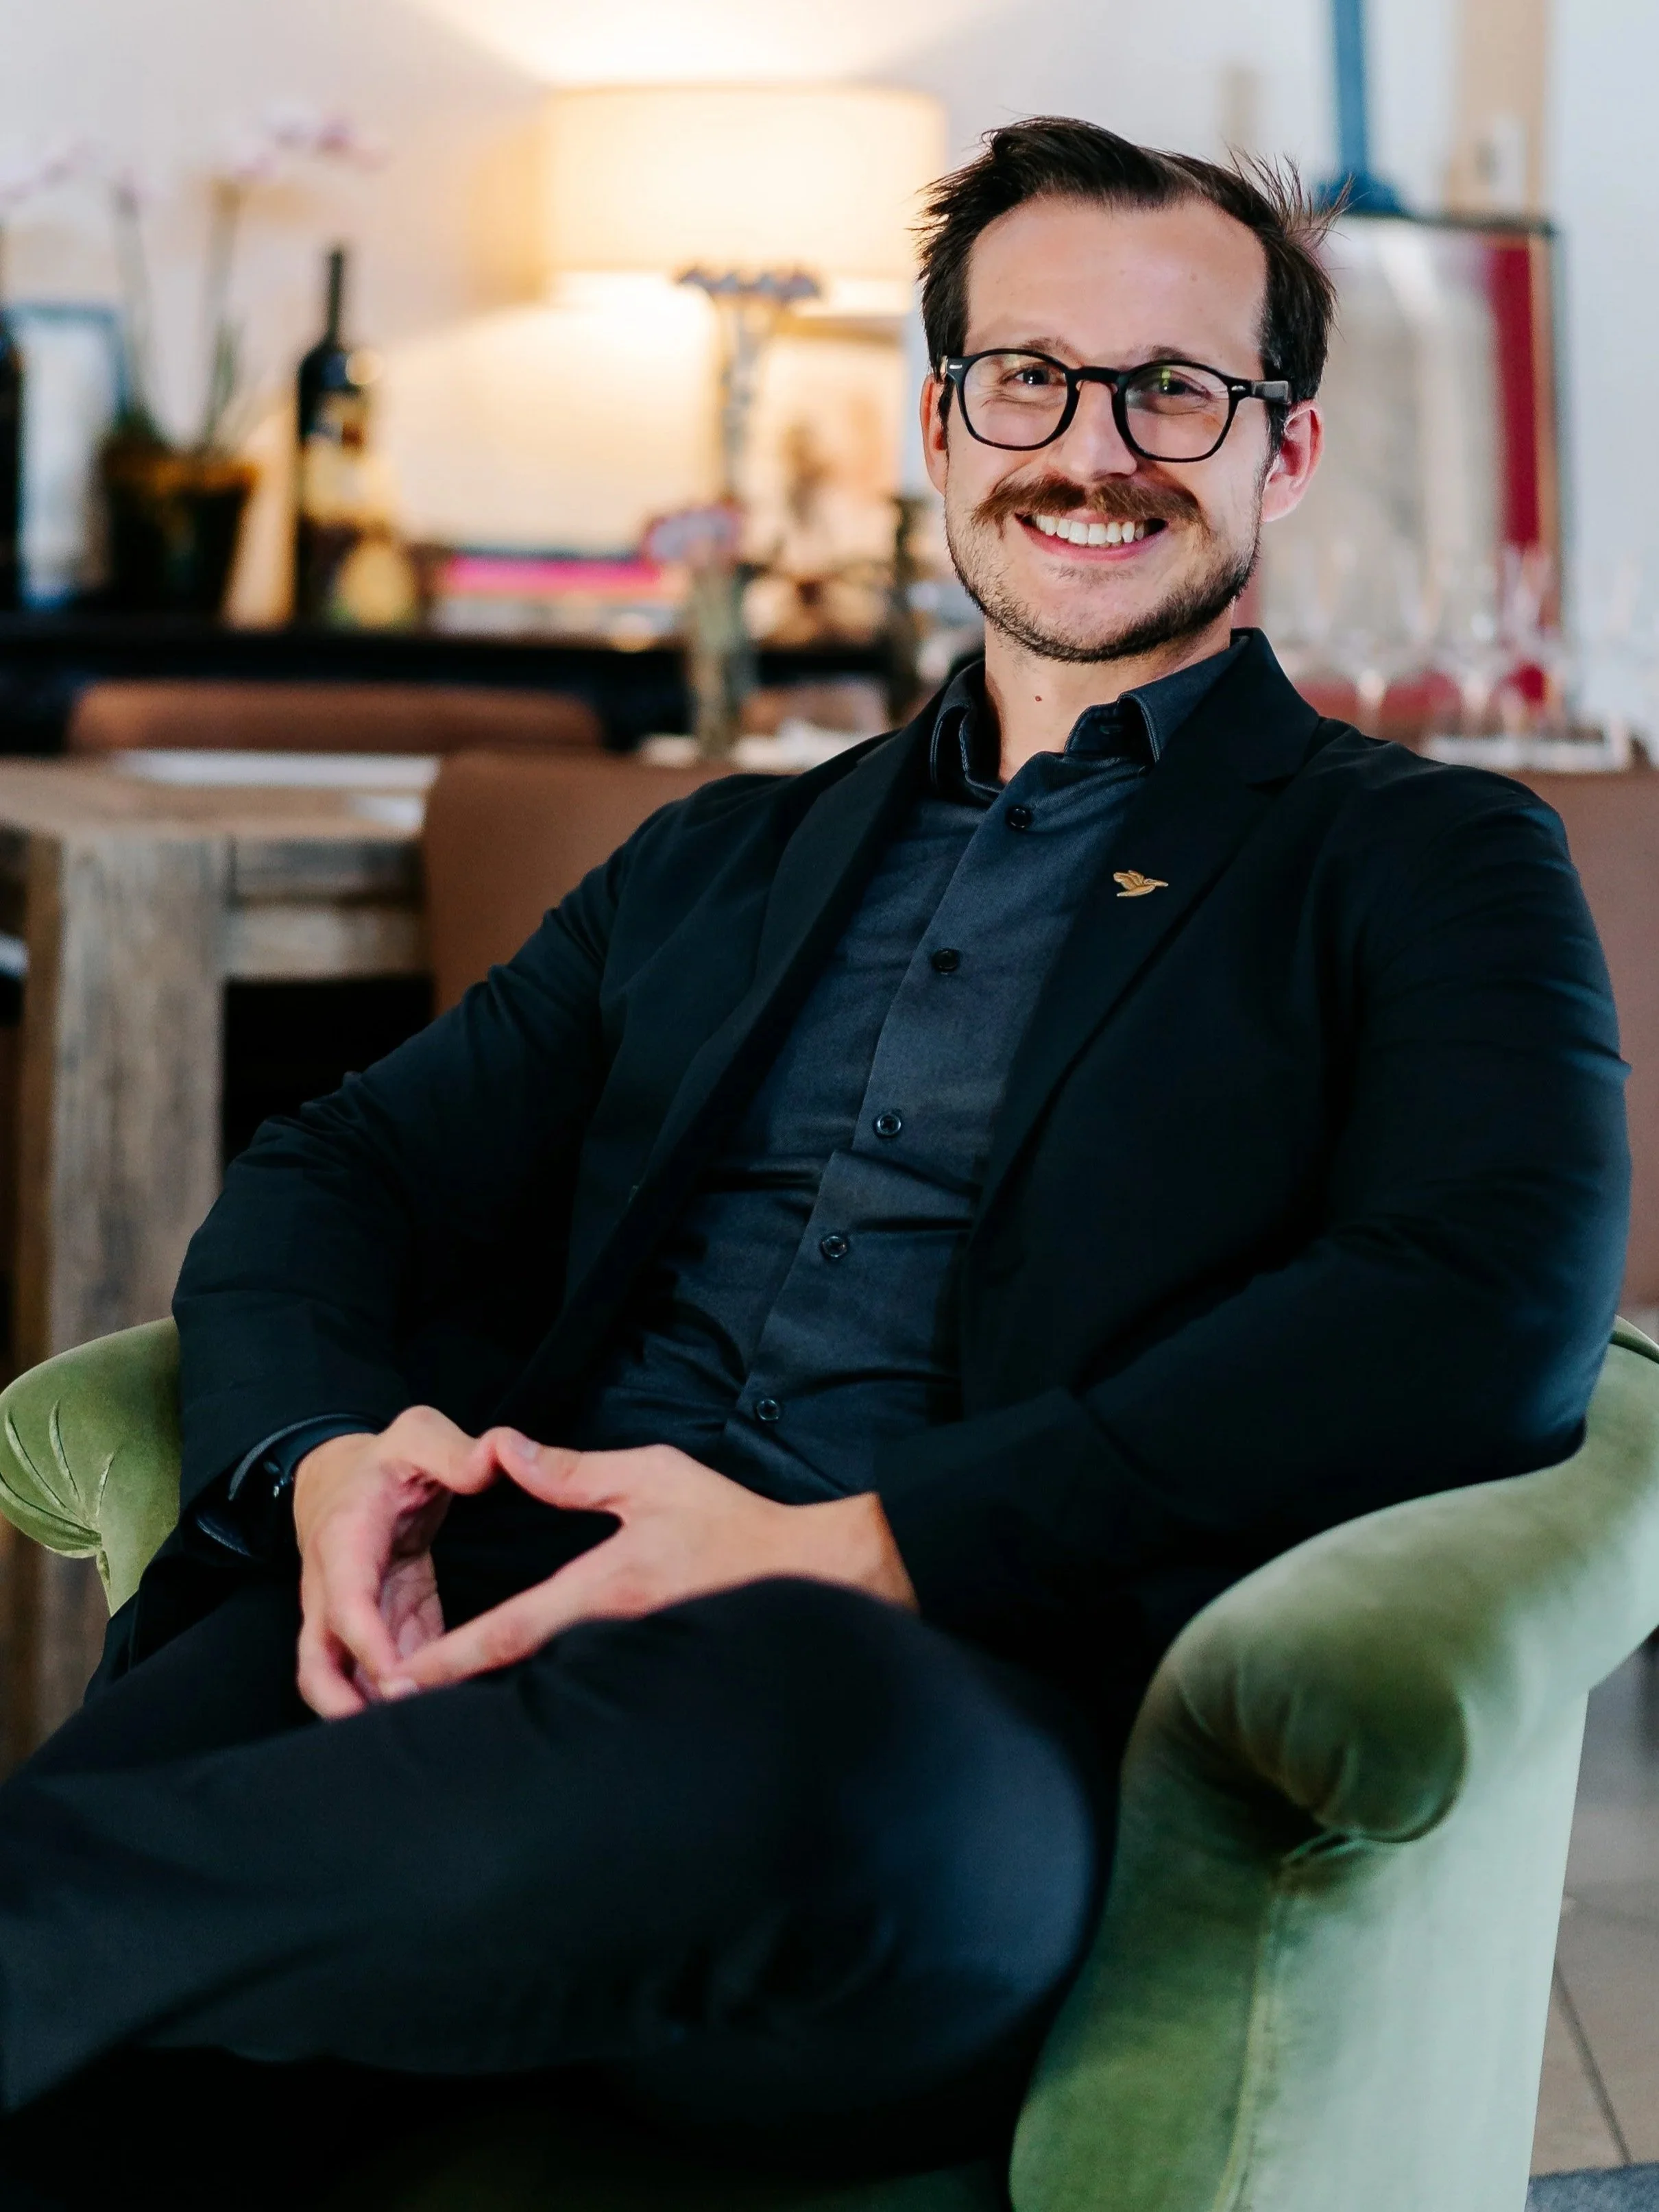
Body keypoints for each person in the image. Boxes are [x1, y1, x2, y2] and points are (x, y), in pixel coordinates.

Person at [0, 118, 1628, 2203]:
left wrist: (865, 1542)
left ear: (1280, 452)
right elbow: (343, 1170)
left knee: (812, 1770)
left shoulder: (1426, 858)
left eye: (1174, 392)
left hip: (935, 1693)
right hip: (488, 1606)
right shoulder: (717, 855)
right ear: (941, 429)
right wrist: (321, 1466)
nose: (1092, 451)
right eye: (1027, 380)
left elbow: (1484, 1300)